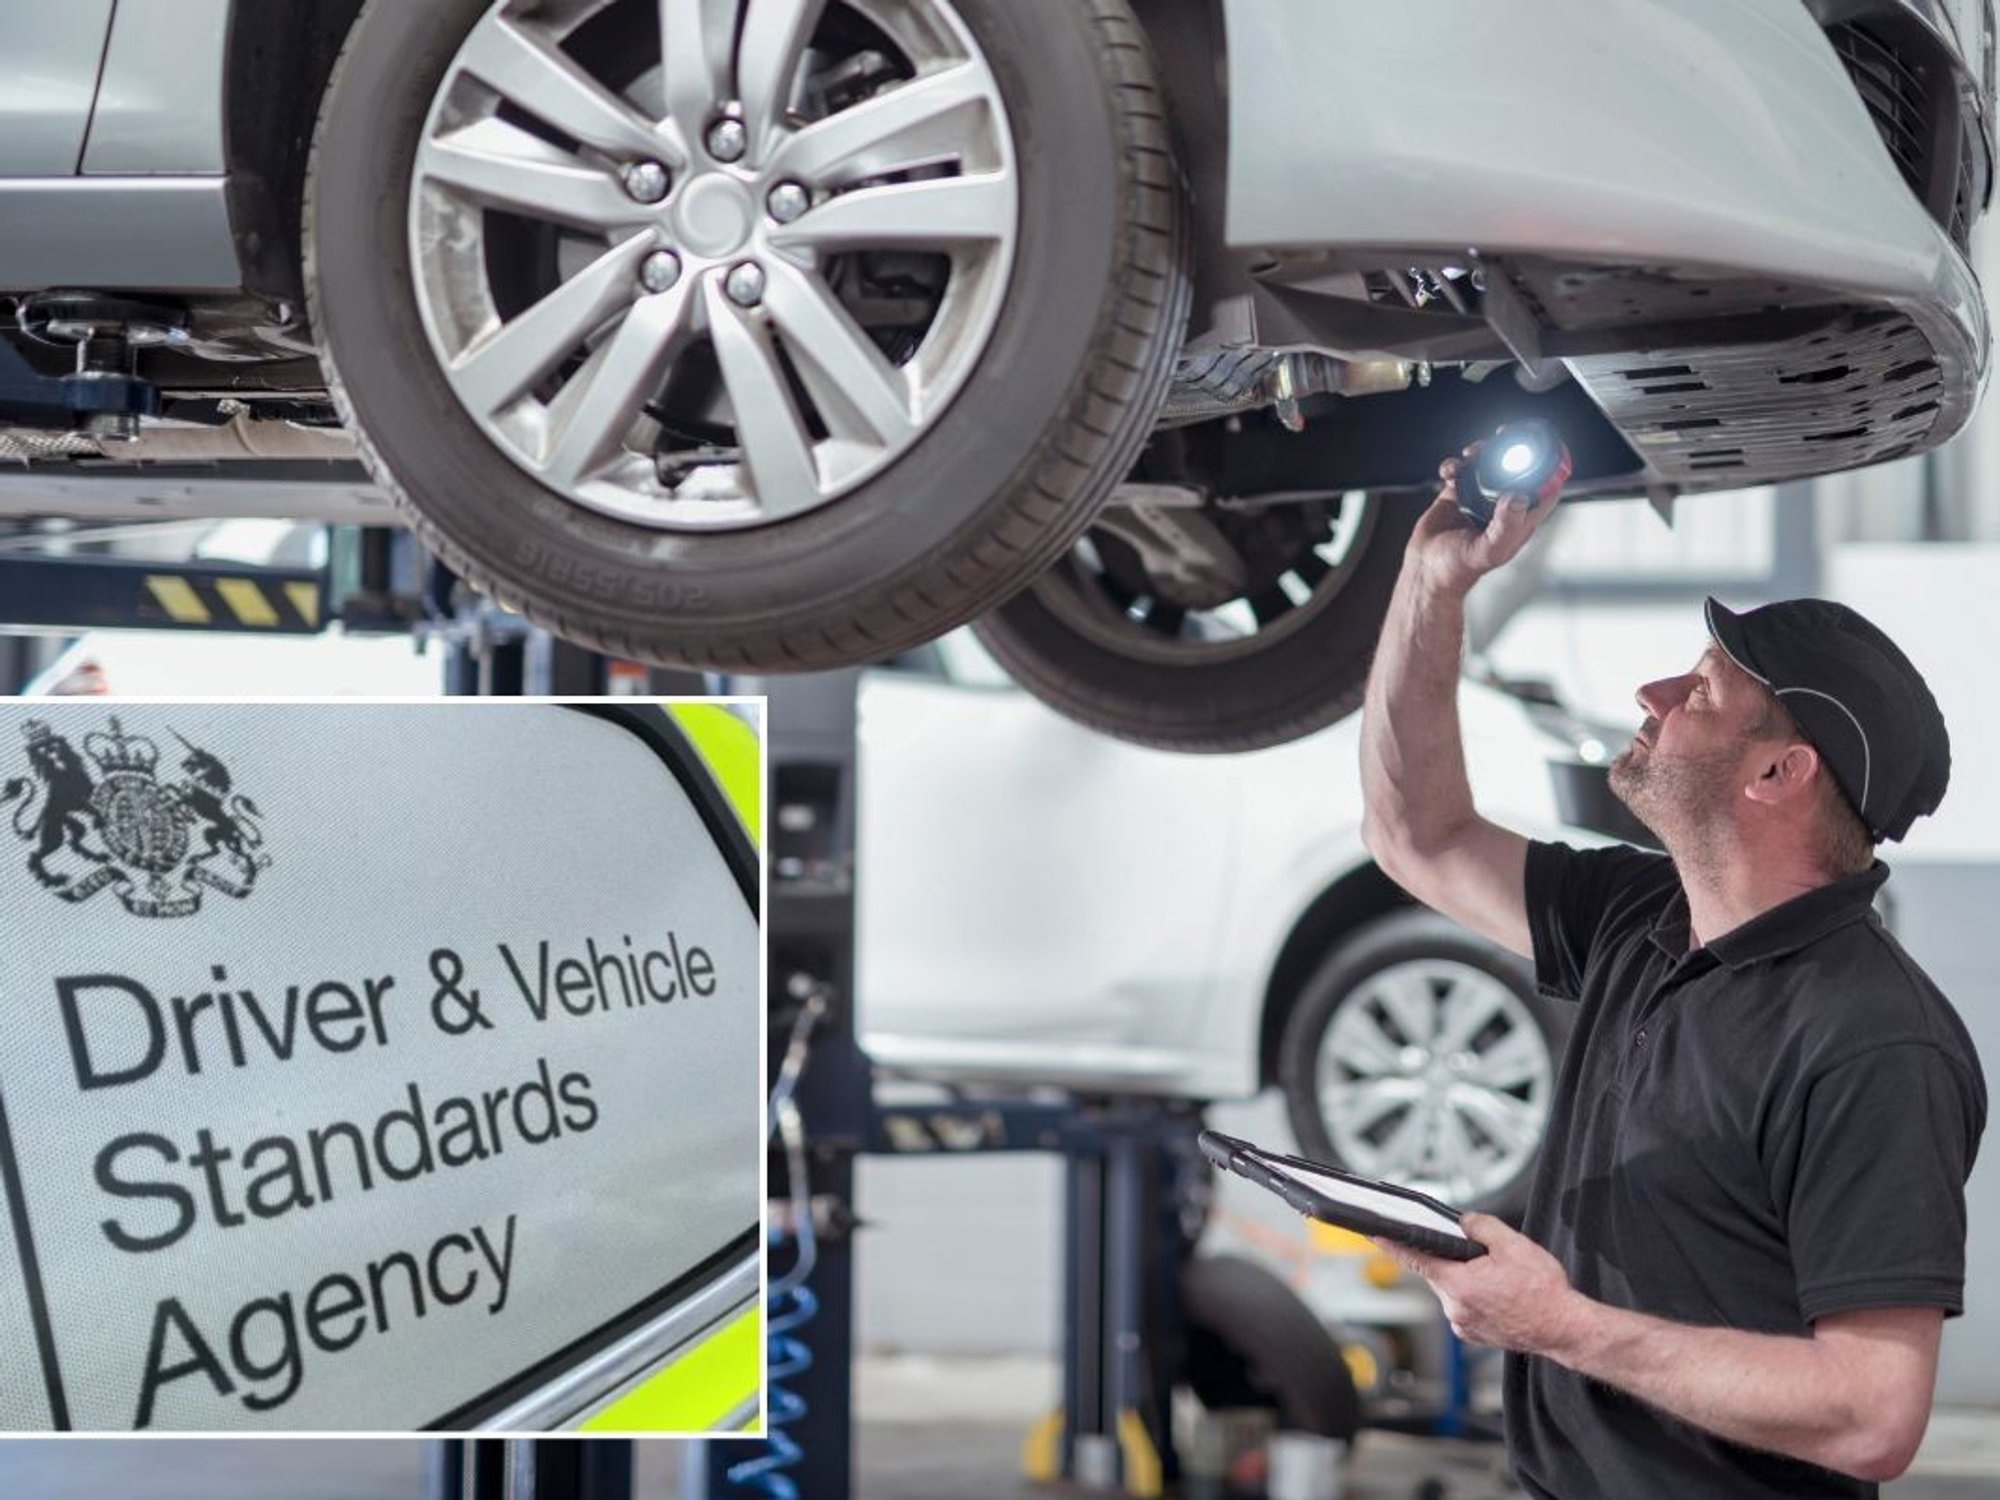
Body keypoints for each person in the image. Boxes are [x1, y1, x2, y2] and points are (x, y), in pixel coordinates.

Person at [1356, 445, 1987, 1498]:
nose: (1650, 692)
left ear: (1778, 773)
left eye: (1698, 688)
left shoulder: (1872, 1042)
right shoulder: (1636, 916)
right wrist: (1433, 586)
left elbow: (1871, 1413)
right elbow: (1415, 832)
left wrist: (1556, 1325)